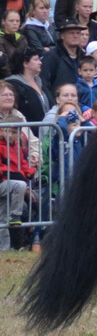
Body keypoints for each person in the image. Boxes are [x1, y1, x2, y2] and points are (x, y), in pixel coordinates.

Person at [0, 81, 41, 249]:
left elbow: (31, 143)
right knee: (18, 193)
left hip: (20, 178)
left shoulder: (19, 116)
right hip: (6, 180)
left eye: (11, 94)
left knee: (38, 201)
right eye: (4, 94)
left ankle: (31, 239)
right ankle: (14, 231)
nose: (9, 97)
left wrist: (34, 161)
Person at [41, 20, 87, 97]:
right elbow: (44, 83)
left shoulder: (84, 57)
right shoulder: (51, 56)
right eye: (71, 33)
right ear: (62, 36)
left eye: (78, 33)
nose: (75, 36)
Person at [6, 47, 50, 124]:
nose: (40, 63)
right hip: (26, 131)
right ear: (25, 63)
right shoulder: (13, 85)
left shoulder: (41, 81)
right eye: (36, 60)